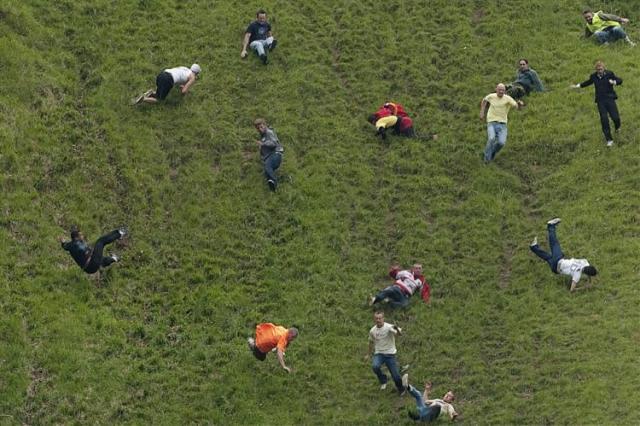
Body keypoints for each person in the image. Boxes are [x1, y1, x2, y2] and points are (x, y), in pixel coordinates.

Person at [530, 218, 598, 292]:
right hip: (555, 269)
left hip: (559, 260)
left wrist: (589, 281)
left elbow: (587, 270)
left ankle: (551, 226)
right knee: (547, 256)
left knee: (554, 244)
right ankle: (534, 247)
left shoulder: (585, 261)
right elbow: (572, 290)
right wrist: (585, 286)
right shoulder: (577, 276)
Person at [571, 61, 623, 147]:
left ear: (604, 68)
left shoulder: (609, 73)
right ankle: (609, 140)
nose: (600, 71)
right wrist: (577, 86)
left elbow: (620, 80)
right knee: (604, 119)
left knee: (616, 117)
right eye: (598, 69)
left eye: (601, 69)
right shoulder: (593, 76)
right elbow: (587, 82)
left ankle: (617, 127)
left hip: (610, 99)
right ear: (596, 70)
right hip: (600, 101)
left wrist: (614, 82)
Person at [480, 83, 524, 163]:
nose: (501, 91)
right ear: (496, 89)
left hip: (502, 124)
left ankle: (492, 152)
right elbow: (484, 100)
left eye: (503, 90)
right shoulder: (491, 96)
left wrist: (520, 105)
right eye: (499, 90)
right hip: (491, 122)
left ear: (505, 91)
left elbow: (516, 107)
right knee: (491, 138)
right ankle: (486, 158)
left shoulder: (508, 98)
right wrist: (482, 112)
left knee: (501, 143)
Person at [59, 226, 127, 274]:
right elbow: (83, 249)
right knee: (100, 242)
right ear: (77, 237)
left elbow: (64, 246)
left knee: (101, 260)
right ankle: (120, 233)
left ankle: (114, 258)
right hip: (92, 263)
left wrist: (62, 242)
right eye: (81, 235)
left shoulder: (69, 245)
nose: (82, 236)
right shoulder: (78, 244)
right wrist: (90, 251)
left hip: (89, 270)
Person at [366, 311, 405, 394]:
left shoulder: (389, 327)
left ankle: (401, 389)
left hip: (390, 354)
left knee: (396, 376)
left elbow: (399, 334)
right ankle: (383, 380)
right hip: (379, 353)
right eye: (376, 318)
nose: (378, 320)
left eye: (380, 318)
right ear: (374, 319)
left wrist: (397, 329)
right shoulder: (372, 330)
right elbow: (370, 342)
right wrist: (368, 354)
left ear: (383, 319)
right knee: (375, 366)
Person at [367, 102, 437, 141]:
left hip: (403, 123)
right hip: (402, 121)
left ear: (373, 122)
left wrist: (384, 140)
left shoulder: (379, 122)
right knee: (396, 134)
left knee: (413, 138)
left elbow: (382, 130)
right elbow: (383, 128)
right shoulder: (383, 118)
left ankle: (433, 137)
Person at [135, 64, 201, 104]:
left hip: (162, 74)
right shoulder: (192, 77)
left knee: (160, 92)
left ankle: (151, 93)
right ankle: (143, 99)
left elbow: (180, 76)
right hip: (168, 79)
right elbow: (183, 92)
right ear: (197, 73)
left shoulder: (185, 68)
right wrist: (184, 94)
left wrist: (183, 86)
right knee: (160, 100)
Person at [254, 118, 284, 192]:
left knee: (268, 167)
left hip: (275, 154)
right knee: (267, 173)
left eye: (261, 127)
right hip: (269, 157)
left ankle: (275, 184)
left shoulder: (269, 132)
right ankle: (277, 185)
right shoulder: (263, 137)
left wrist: (263, 144)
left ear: (265, 125)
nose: (260, 129)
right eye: (258, 128)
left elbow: (274, 144)